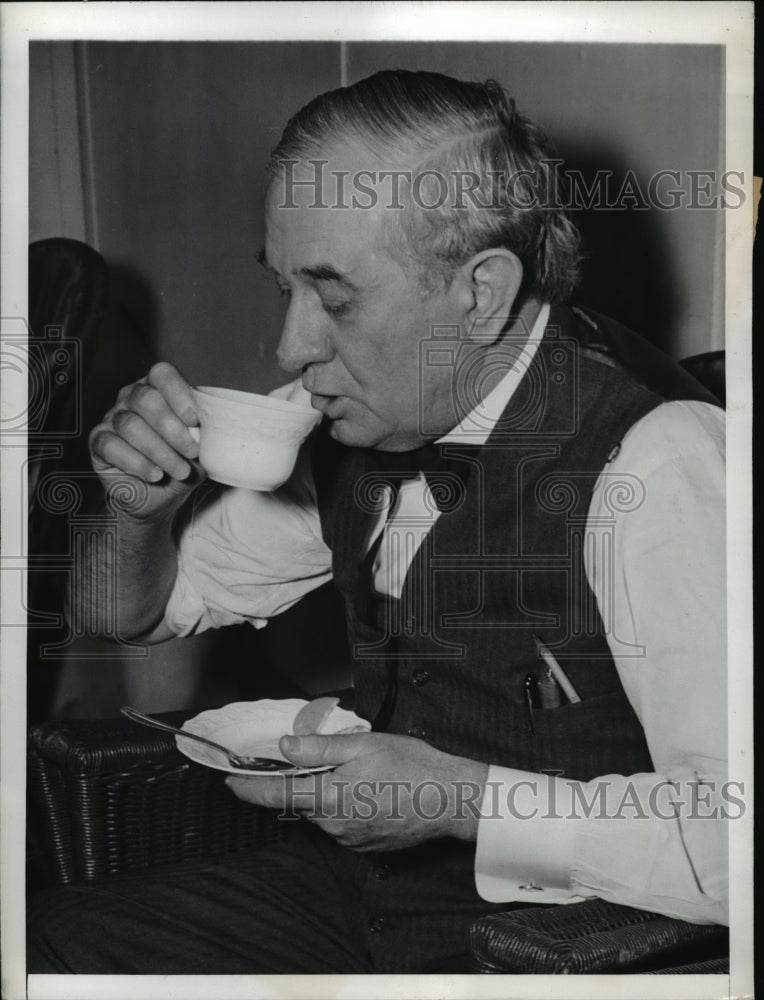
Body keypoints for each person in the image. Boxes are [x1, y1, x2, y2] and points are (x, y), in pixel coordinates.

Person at [28, 70, 728, 974]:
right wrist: (136, 511)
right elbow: (125, 611)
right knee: (48, 944)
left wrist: (459, 800)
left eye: (337, 299)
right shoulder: (355, 417)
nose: (291, 347)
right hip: (365, 902)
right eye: (285, 289)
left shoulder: (659, 459)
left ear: (481, 294)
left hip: (565, 943)